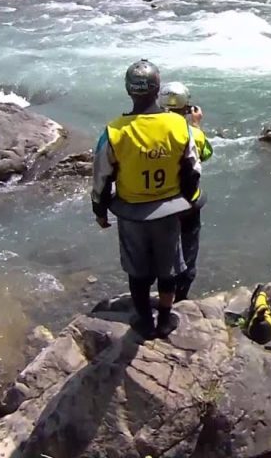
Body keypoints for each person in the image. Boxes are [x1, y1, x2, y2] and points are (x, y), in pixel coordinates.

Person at [92, 60, 201, 340]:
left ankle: (144, 322)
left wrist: (100, 211)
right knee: (168, 270)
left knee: (137, 272)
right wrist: (187, 201)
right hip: (168, 209)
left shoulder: (114, 130)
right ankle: (164, 319)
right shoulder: (179, 125)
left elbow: (101, 177)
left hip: (132, 213)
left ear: (129, 90)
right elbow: (193, 168)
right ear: (157, 89)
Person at [158, 81, 213, 302]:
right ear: (187, 107)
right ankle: (181, 296)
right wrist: (196, 125)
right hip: (186, 202)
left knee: (163, 249)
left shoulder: (150, 130)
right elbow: (206, 153)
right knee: (189, 248)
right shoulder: (193, 134)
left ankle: (163, 292)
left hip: (158, 202)